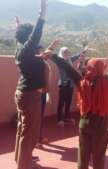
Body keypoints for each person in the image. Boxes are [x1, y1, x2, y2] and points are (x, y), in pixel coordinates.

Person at [49, 38, 108, 169]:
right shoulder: (106, 81)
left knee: (83, 155)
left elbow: (68, 68)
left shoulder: (81, 81)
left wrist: (52, 55)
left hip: (84, 123)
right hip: (100, 124)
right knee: (99, 156)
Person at [14, 1, 49, 169]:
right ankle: (23, 165)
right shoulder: (27, 49)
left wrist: (19, 26)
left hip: (22, 92)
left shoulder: (21, 50)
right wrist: (42, 13)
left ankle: (21, 159)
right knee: (29, 134)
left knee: (22, 129)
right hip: (29, 95)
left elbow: (26, 40)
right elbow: (35, 35)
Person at [56, 46, 87, 126]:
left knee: (68, 101)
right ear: (62, 53)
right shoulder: (60, 61)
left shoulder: (69, 59)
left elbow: (76, 56)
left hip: (70, 84)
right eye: (65, 52)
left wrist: (83, 51)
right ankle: (59, 119)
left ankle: (66, 117)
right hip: (63, 84)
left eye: (68, 52)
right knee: (61, 102)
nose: (67, 53)